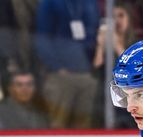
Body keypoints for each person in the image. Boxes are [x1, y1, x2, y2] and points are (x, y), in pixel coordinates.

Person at [35, 0, 98, 128]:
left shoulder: (90, 3)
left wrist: (91, 66)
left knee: (83, 125)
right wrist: (57, 67)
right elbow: (42, 38)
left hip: (85, 73)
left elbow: (93, 33)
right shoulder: (50, 3)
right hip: (60, 75)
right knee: (57, 124)